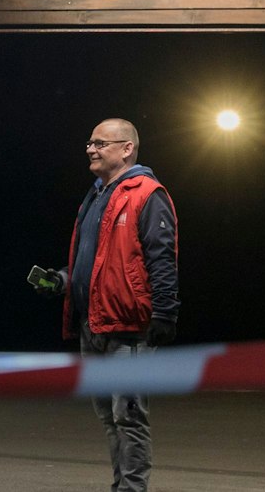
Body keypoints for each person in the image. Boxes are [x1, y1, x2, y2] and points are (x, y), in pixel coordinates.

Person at [31, 118, 179, 492]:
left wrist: (164, 313)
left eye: (100, 143)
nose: (90, 149)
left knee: (128, 418)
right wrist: (62, 281)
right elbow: (93, 259)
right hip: (93, 324)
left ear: (127, 148)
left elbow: (162, 259)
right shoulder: (97, 194)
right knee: (110, 419)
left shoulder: (147, 193)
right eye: (89, 142)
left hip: (128, 327)